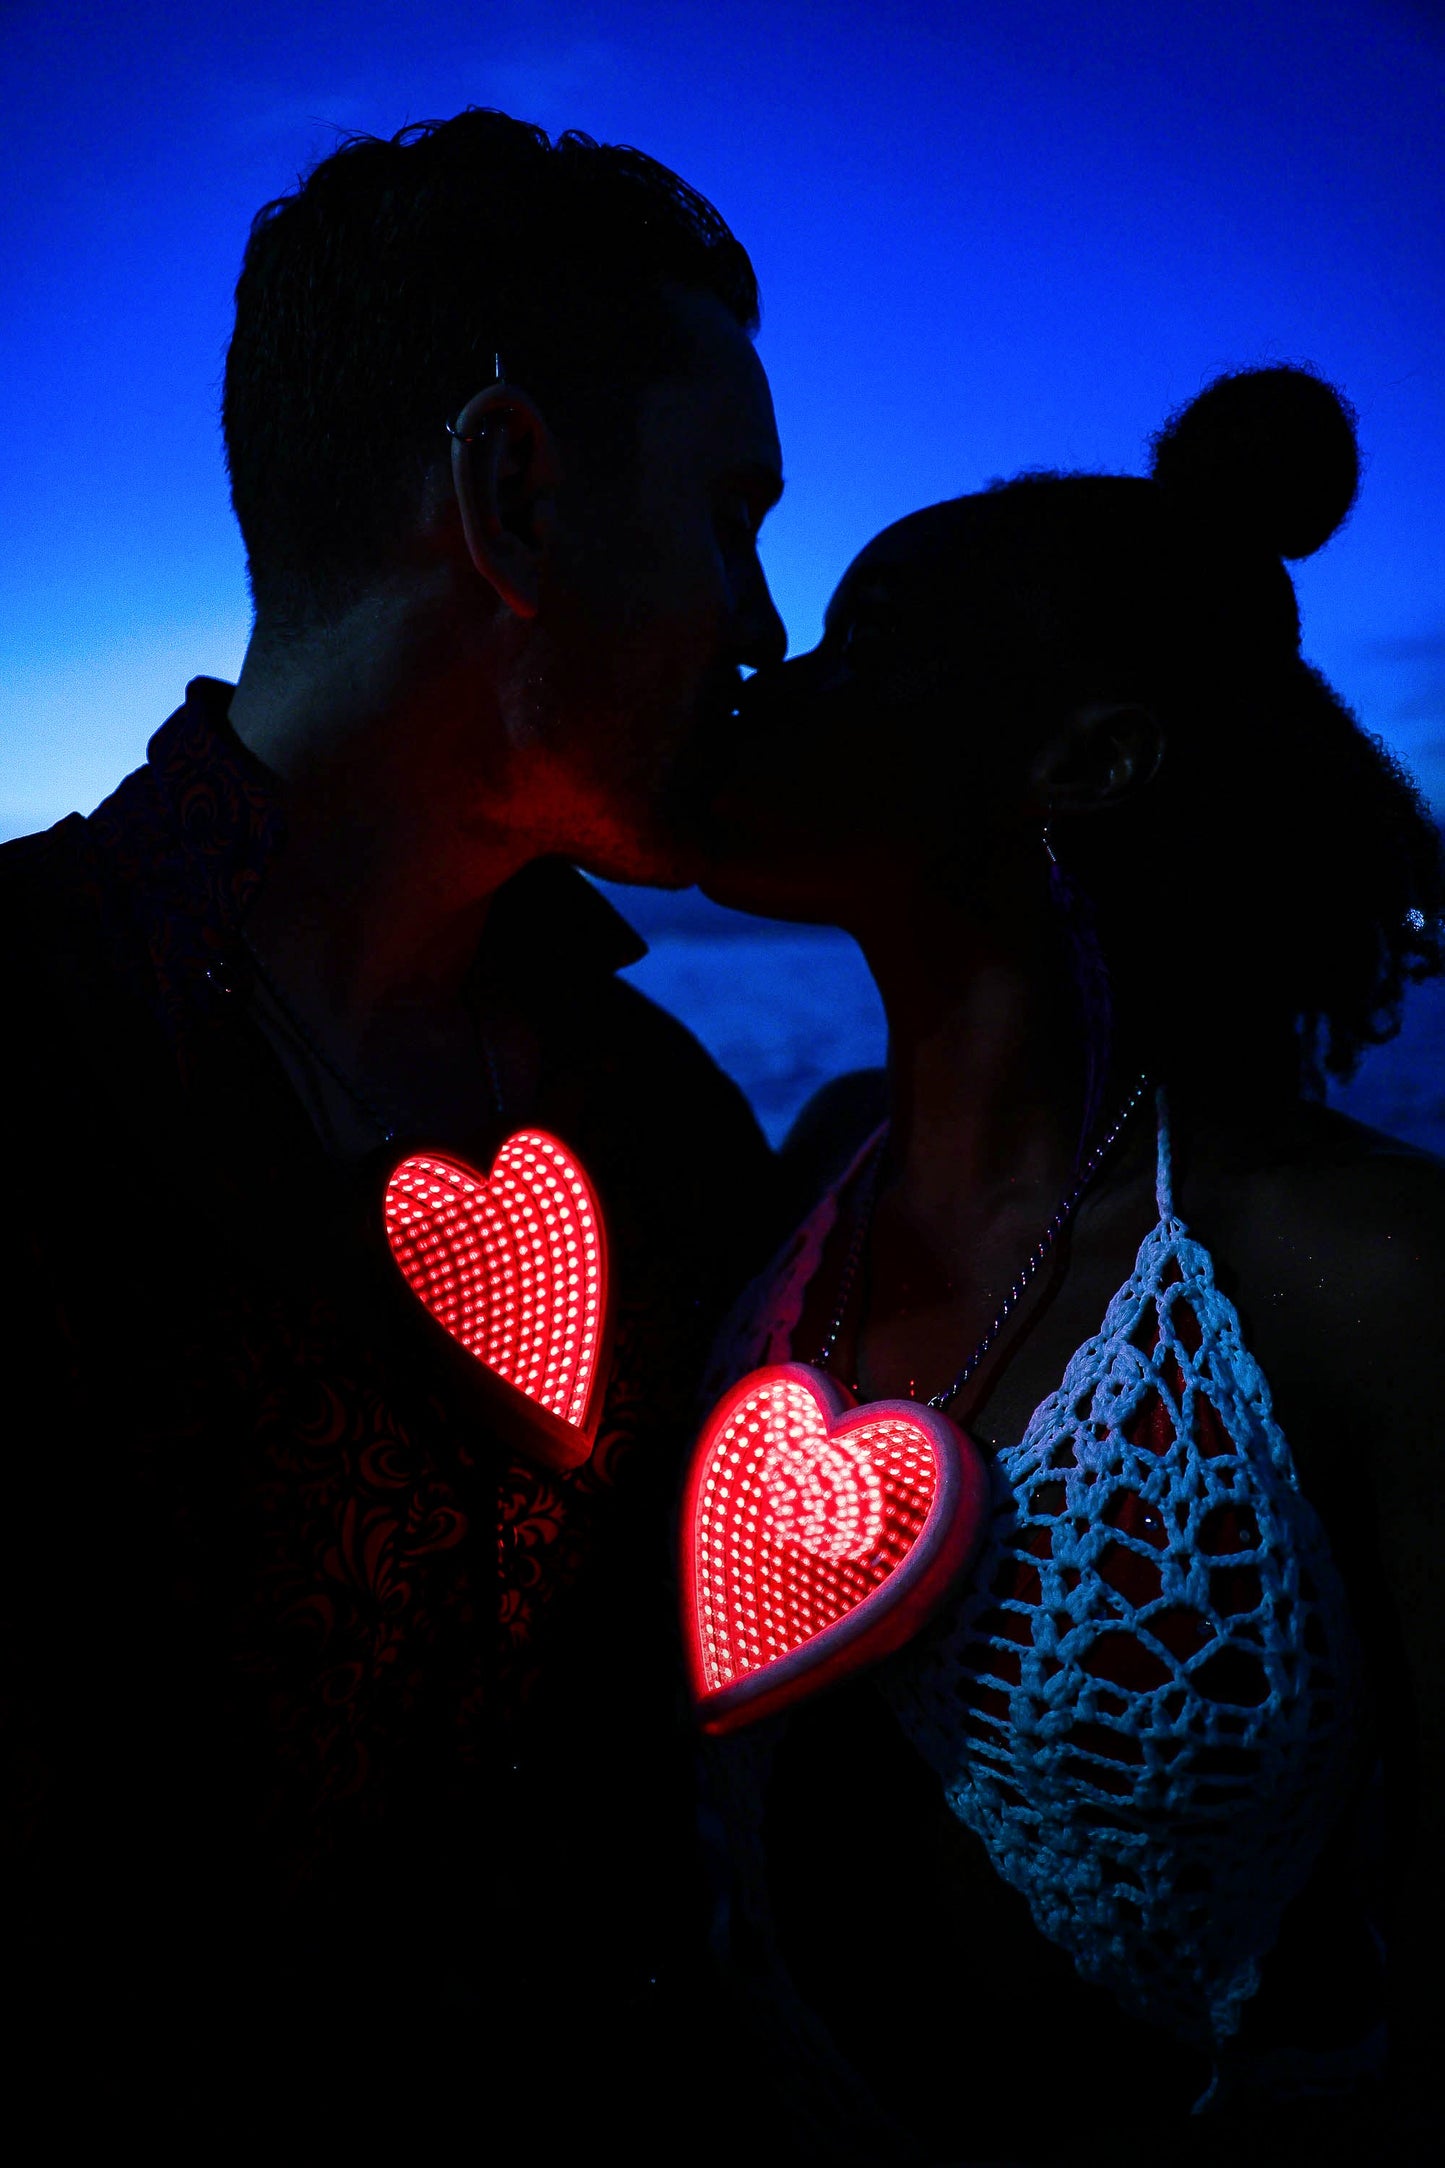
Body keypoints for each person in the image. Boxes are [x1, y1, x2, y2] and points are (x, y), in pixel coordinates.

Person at [0, 110, 788, 2152]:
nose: (763, 621)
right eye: (733, 515)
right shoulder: (10, 1037)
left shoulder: (670, 1132)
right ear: (512, 493)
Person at [694, 366, 1443, 2165]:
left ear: (1089, 760)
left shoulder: (1367, 1277)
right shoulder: (818, 1177)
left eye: (865, 642)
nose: (770, 676)